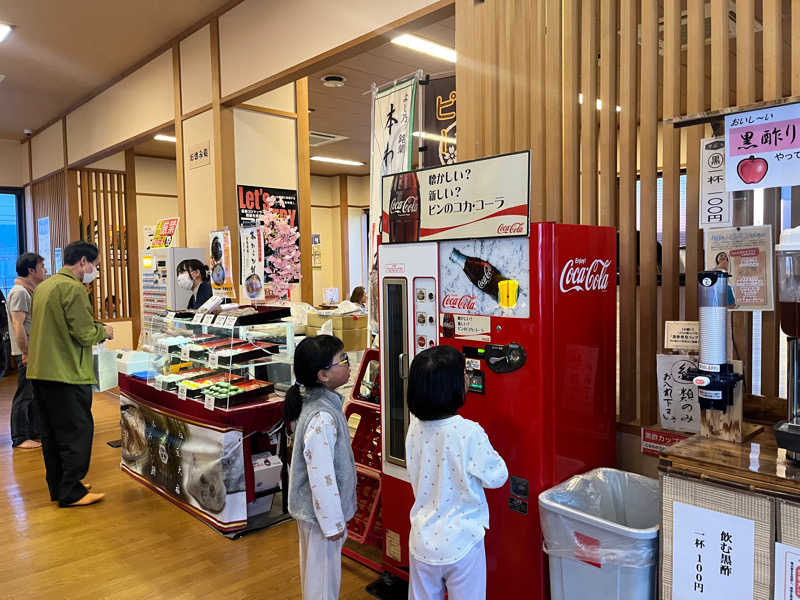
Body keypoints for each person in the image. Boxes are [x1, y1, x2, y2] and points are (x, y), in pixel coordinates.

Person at [405, 345, 508, 600]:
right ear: (452, 386)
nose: (467, 376)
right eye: (463, 372)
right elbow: (498, 477)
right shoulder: (468, 432)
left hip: (422, 538)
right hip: (462, 540)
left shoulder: (414, 428)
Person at [27, 241, 113, 507]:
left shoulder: (45, 287)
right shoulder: (73, 288)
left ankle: (61, 486)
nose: (95, 271)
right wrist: (105, 332)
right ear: (84, 262)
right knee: (77, 432)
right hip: (67, 372)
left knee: (52, 434)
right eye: (96, 266)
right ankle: (72, 492)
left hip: (41, 371)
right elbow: (85, 333)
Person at [285, 335, 357, 600]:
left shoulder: (319, 403)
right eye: (343, 360)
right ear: (323, 375)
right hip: (320, 519)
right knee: (322, 583)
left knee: (320, 578)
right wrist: (332, 522)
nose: (348, 365)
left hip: (317, 517)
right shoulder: (322, 417)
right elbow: (321, 475)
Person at [8, 252, 46, 449]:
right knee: (24, 395)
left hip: (33, 352)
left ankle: (34, 431)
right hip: (27, 354)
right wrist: (26, 352)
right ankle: (20, 437)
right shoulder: (20, 292)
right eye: (41, 267)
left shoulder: (29, 291)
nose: (45, 270)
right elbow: (18, 325)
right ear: (31, 270)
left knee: (33, 394)